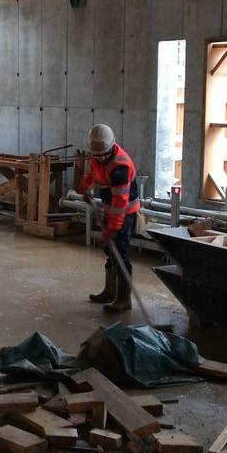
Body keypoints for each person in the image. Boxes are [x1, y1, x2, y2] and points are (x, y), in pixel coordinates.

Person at [77, 124, 140, 313]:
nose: (99, 158)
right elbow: (92, 172)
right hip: (109, 208)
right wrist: (85, 185)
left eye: (102, 155)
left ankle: (123, 299)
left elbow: (120, 204)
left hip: (124, 212)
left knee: (119, 252)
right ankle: (109, 292)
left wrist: (113, 227)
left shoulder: (120, 166)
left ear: (111, 147)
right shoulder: (98, 154)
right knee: (109, 249)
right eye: (96, 155)